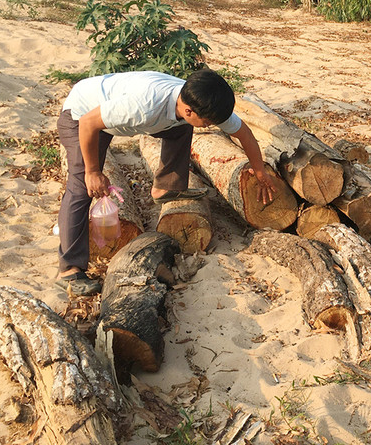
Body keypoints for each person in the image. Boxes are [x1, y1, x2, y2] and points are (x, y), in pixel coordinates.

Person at [56, 68, 276, 295]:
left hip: (111, 112)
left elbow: (245, 134)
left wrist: (259, 171)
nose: (210, 126)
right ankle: (69, 270)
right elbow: (88, 123)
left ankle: (165, 187)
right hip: (82, 114)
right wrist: (92, 171)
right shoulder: (145, 105)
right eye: (208, 122)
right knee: (81, 187)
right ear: (189, 109)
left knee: (181, 128)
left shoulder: (201, 100)